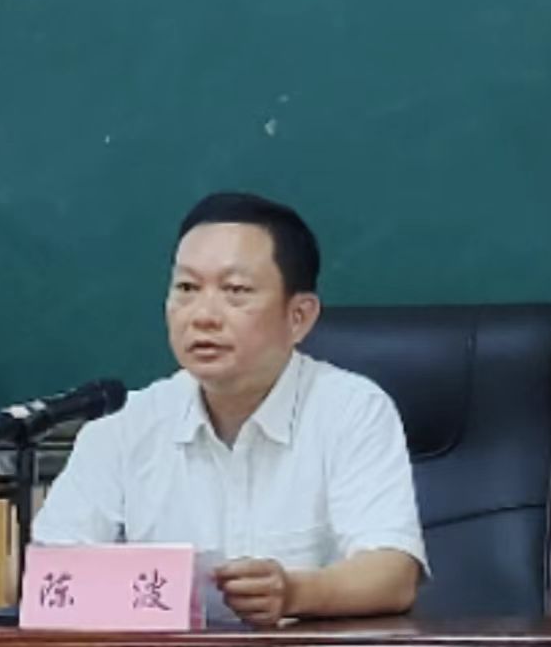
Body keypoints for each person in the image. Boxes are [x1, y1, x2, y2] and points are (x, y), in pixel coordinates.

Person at [33, 192, 427, 625]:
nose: (203, 315)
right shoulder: (125, 427)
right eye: (186, 288)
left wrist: (296, 592)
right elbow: (52, 579)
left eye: (235, 291)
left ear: (298, 317)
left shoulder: (351, 410)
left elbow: (393, 574)